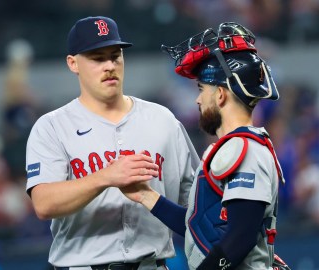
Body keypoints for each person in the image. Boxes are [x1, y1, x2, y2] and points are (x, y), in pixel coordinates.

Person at [25, 16, 200, 270]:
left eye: (115, 55)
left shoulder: (163, 121)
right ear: (73, 63)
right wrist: (105, 177)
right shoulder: (52, 126)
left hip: (152, 264)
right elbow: (43, 203)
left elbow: (196, 204)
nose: (109, 65)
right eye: (97, 58)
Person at [120, 22, 290, 269]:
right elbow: (201, 226)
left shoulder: (246, 150)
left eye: (201, 89)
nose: (198, 100)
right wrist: (147, 196)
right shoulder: (231, 148)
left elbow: (240, 237)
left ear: (220, 94)